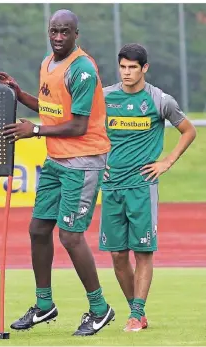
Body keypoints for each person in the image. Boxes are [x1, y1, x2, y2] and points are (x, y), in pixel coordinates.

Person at [0, 9, 115, 336]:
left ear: (77, 34)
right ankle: (44, 305)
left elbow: (77, 125)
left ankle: (100, 309)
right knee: (37, 229)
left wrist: (33, 132)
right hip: (57, 161)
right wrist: (19, 94)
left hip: (84, 160)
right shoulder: (48, 63)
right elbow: (50, 110)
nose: (58, 37)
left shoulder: (83, 69)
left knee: (71, 236)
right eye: (54, 31)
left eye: (65, 32)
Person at [100, 43, 196, 332]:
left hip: (142, 186)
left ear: (145, 68)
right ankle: (136, 312)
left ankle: (136, 313)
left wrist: (167, 161)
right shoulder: (105, 98)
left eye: (133, 67)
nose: (127, 72)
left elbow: (188, 130)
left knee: (142, 252)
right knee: (117, 256)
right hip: (111, 185)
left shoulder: (159, 100)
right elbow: (88, 129)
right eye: (123, 67)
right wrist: (98, 159)